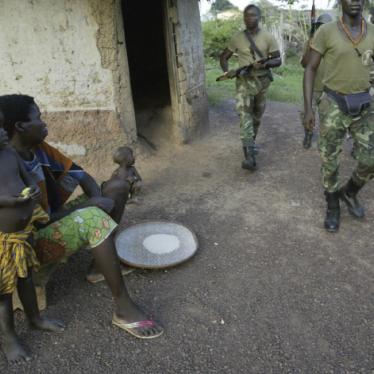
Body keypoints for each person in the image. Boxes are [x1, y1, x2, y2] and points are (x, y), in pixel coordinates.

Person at [0, 94, 163, 340]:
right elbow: (36, 222)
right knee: (92, 219)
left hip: (52, 219)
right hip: (31, 244)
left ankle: (98, 267)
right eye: (38, 118)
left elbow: (81, 176)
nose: (44, 123)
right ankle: (123, 309)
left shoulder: (39, 149)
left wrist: (98, 199)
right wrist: (88, 209)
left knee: (117, 188)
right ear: (20, 127)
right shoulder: (8, 164)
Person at [303, 0, 374, 232]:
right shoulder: (326, 31)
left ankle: (349, 192)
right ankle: (333, 205)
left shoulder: (372, 31)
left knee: (370, 159)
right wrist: (309, 108)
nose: (354, 1)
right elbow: (310, 68)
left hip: (364, 104)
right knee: (329, 160)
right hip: (333, 103)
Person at [0, 111, 64, 363]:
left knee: (25, 279)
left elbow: (28, 179)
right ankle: (9, 340)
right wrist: (7, 201)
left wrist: (34, 191)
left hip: (22, 233)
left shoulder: (9, 154)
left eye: (2, 125)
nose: (3, 131)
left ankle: (35, 319)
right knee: (3, 293)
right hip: (2, 241)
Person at [220, 4, 281, 171]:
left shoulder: (268, 37)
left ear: (259, 18)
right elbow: (223, 57)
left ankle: (250, 144)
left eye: (253, 15)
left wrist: (265, 63)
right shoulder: (237, 38)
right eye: (246, 16)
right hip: (244, 81)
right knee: (244, 116)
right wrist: (227, 72)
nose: (249, 18)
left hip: (262, 82)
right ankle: (249, 156)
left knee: (256, 117)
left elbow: (278, 60)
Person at [300, 13, 333, 149]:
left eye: (325, 26)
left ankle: (325, 142)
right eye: (320, 26)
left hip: (329, 89)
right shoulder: (310, 42)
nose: (322, 29)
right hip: (312, 87)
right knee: (306, 114)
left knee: (327, 119)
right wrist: (310, 45)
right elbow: (304, 64)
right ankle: (308, 135)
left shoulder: (335, 43)